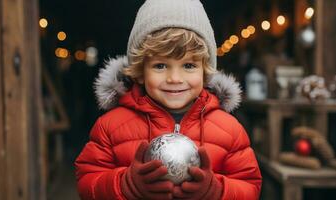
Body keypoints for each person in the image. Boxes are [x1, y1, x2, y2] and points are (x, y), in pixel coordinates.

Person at [75, 0, 262, 199]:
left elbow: (249, 186)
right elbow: (87, 182)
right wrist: (126, 185)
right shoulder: (110, 127)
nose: (174, 78)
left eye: (189, 65)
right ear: (140, 71)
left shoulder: (229, 130)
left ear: (205, 71)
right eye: (160, 66)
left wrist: (216, 190)